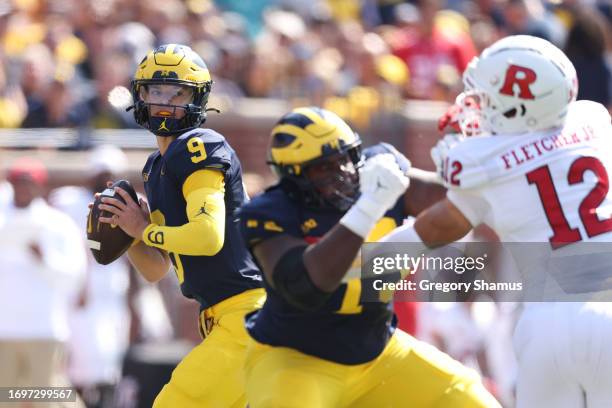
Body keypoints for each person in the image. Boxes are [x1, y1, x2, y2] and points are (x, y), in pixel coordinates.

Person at [382, 35, 612, 408]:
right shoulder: (595, 122)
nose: (478, 106)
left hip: (546, 324)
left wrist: (356, 264)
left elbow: (423, 235)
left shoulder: (482, 166)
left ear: (520, 106)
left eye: (488, 97)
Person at [238, 106, 500, 407]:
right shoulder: (270, 213)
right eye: (322, 168)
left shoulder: (378, 174)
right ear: (293, 177)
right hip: (296, 359)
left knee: (472, 400)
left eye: (344, 159)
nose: (342, 173)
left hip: (377, 354)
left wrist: (470, 172)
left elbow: (460, 207)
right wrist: (369, 207)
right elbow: (305, 287)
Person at [95, 44, 265, 407]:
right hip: (229, 320)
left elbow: (207, 236)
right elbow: (157, 269)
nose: (167, 102)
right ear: (140, 95)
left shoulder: (197, 145)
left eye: (179, 92)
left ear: (198, 98)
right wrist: (131, 235)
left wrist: (143, 229)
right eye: (157, 91)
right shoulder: (157, 164)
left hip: (245, 315)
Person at [0, 158, 86, 407]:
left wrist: (44, 258)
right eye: (18, 182)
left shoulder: (57, 224)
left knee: (45, 398)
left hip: (43, 329)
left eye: (28, 183)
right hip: (4, 330)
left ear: (40, 187)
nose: (23, 188)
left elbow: (74, 276)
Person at [50, 145, 131, 408]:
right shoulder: (71, 202)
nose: (106, 179)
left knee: (109, 364)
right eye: (102, 173)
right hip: (82, 293)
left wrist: (134, 299)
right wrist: (80, 285)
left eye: (111, 174)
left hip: (113, 293)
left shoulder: (127, 203)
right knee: (81, 364)